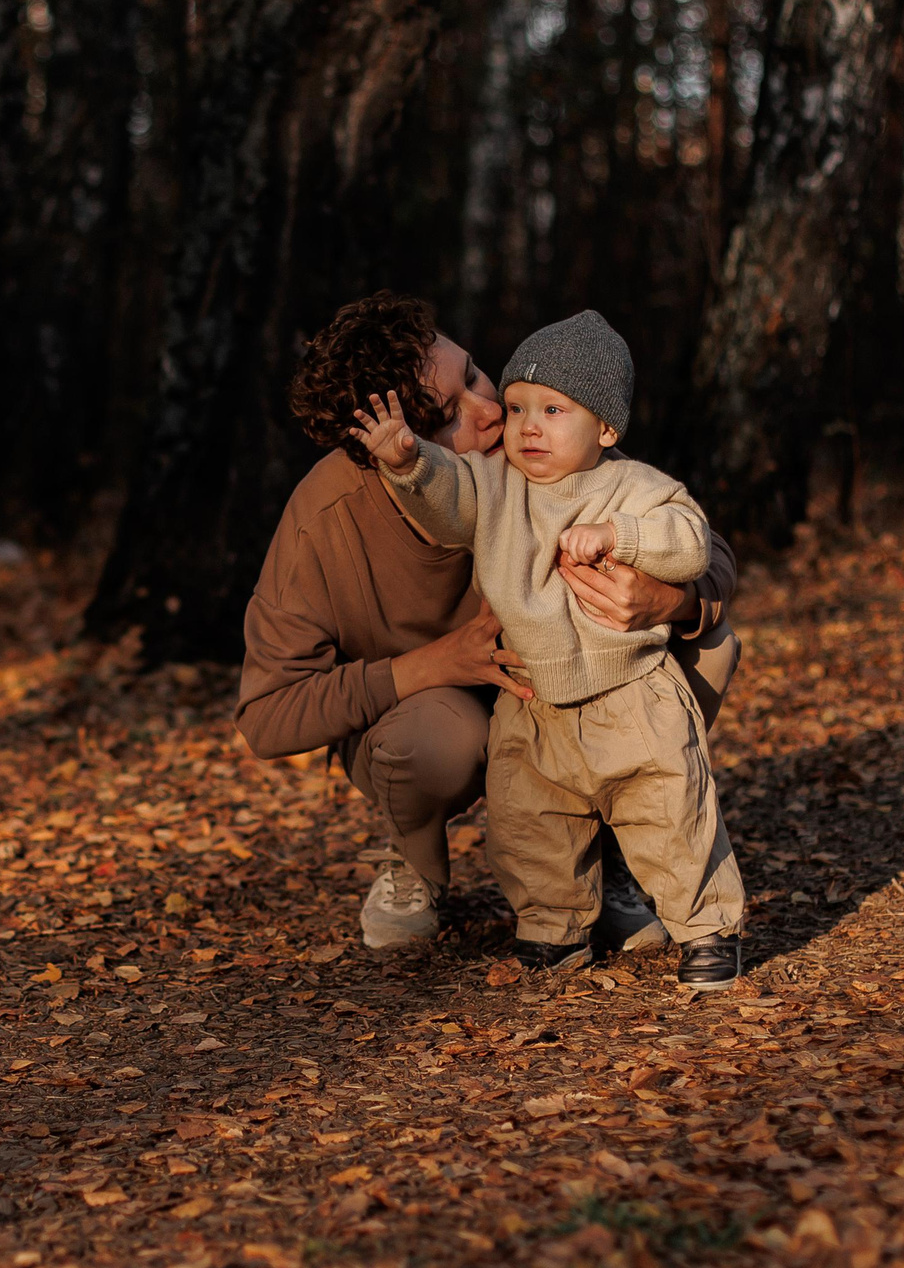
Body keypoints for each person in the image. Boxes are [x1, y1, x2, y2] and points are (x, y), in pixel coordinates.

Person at [232, 293, 741, 958]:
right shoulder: (323, 523)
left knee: (711, 644)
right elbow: (267, 716)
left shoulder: (540, 442)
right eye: (448, 417)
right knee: (438, 740)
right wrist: (432, 664)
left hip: (571, 688)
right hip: (430, 711)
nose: (491, 411)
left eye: (473, 374)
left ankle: (620, 843)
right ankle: (414, 859)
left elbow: (708, 551)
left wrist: (663, 601)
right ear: (387, 450)